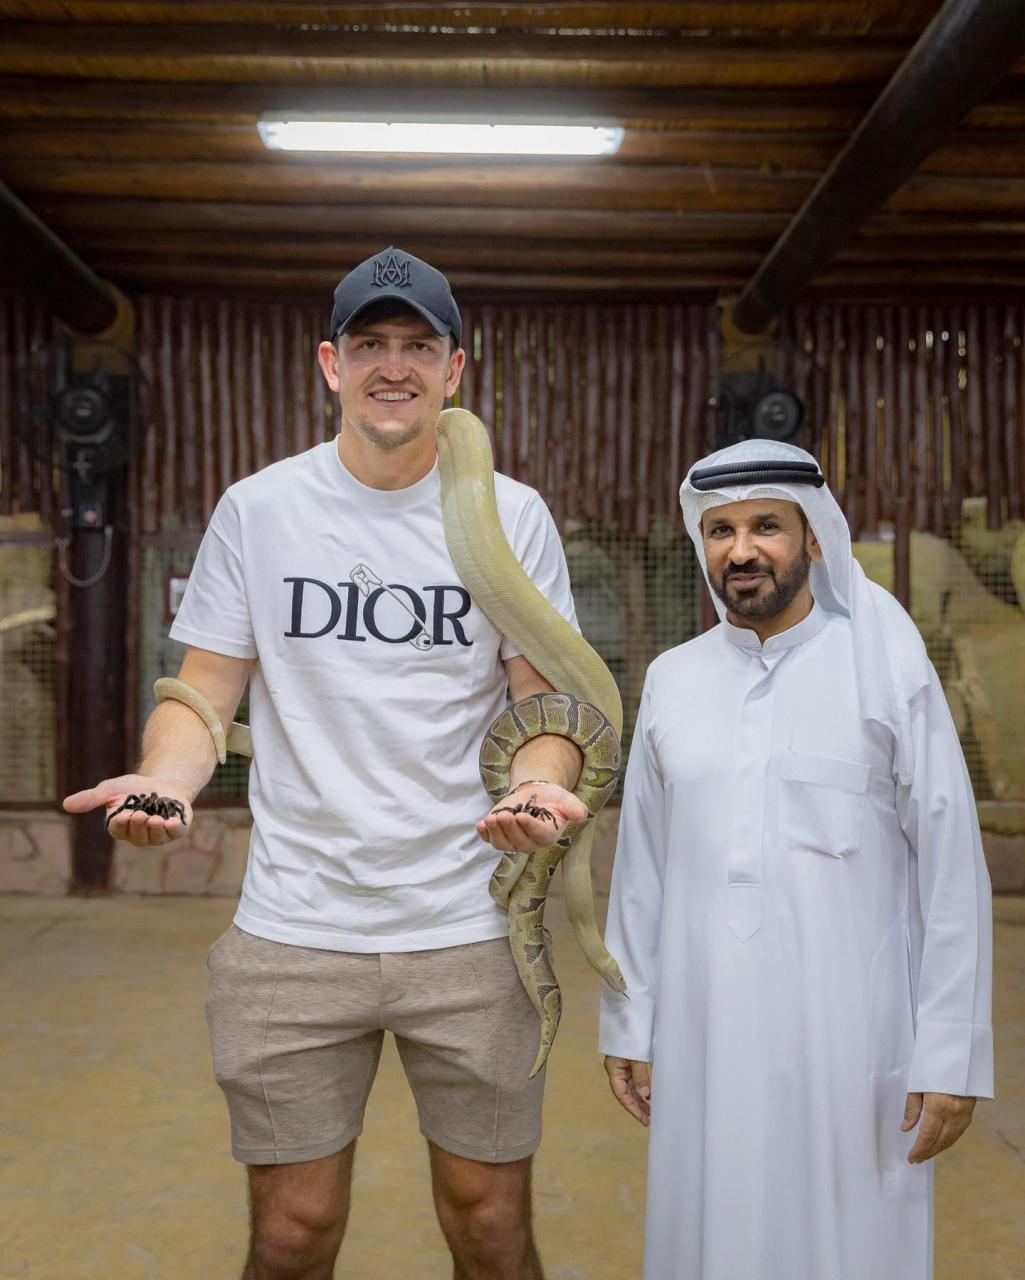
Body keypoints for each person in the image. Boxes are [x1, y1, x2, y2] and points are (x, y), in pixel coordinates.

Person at [64, 248, 588, 1280]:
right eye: (369, 345)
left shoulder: (507, 515)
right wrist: (167, 777)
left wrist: (539, 777)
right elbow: (202, 692)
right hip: (295, 925)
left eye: (417, 347)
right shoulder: (260, 510)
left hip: (467, 921)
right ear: (328, 364)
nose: (392, 366)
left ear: (455, 370)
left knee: (488, 1222)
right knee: (292, 1230)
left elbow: (545, 697)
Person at [599, 438, 993, 1280]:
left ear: (813, 537)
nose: (740, 550)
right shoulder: (672, 679)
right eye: (719, 530)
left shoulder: (885, 666)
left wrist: (950, 1054)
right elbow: (642, 868)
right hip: (703, 1036)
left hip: (853, 1044)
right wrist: (629, 1018)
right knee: (708, 1231)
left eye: (765, 526)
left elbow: (951, 871)